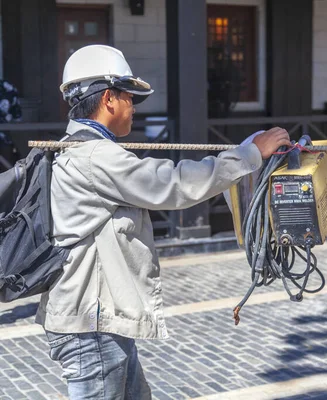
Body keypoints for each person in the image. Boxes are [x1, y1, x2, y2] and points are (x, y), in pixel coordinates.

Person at [35, 45, 291, 398]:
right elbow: (173, 184)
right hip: (91, 326)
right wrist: (250, 154)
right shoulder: (97, 157)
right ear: (109, 99)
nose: (134, 109)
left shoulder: (75, 148)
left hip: (98, 320)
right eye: (130, 98)